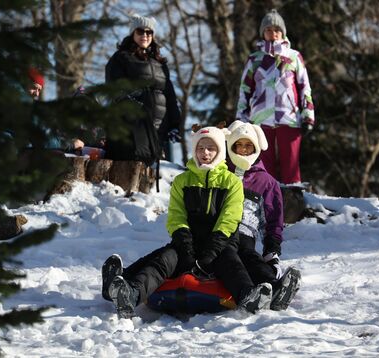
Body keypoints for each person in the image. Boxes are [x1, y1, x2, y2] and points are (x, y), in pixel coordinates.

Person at [101, 126, 273, 318]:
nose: (205, 153)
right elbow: (176, 215)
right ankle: (131, 295)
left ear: (220, 152)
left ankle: (247, 296)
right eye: (200, 148)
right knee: (163, 260)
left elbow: (230, 218)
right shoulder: (182, 181)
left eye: (211, 148)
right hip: (188, 243)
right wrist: (184, 245)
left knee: (231, 263)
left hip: (221, 244)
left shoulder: (231, 182)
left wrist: (212, 250)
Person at [225, 120, 301, 310]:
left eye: (248, 145)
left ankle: (276, 288)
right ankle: (251, 292)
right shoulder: (222, 173)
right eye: (239, 145)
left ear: (256, 147)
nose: (243, 150)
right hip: (221, 230)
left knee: (247, 255)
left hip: (245, 234)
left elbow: (274, 219)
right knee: (229, 257)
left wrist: (271, 250)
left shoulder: (267, 182)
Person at [235, 9, 315, 184]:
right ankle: (268, 200)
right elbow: (245, 89)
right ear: (263, 33)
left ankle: (294, 203)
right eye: (269, 30)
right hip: (260, 118)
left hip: (288, 117)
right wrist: (241, 117)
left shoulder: (293, 57)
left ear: (282, 33)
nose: (273, 34)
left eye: (277, 30)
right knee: (265, 165)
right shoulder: (254, 59)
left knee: (291, 164)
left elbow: (304, 87)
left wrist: (308, 114)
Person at [104, 14, 181, 166]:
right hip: (132, 129)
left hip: (159, 128)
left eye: (149, 32)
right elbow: (115, 89)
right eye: (140, 31)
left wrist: (175, 125)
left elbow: (170, 96)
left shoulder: (160, 63)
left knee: (158, 174)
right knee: (132, 170)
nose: (145, 35)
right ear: (132, 33)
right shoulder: (120, 58)